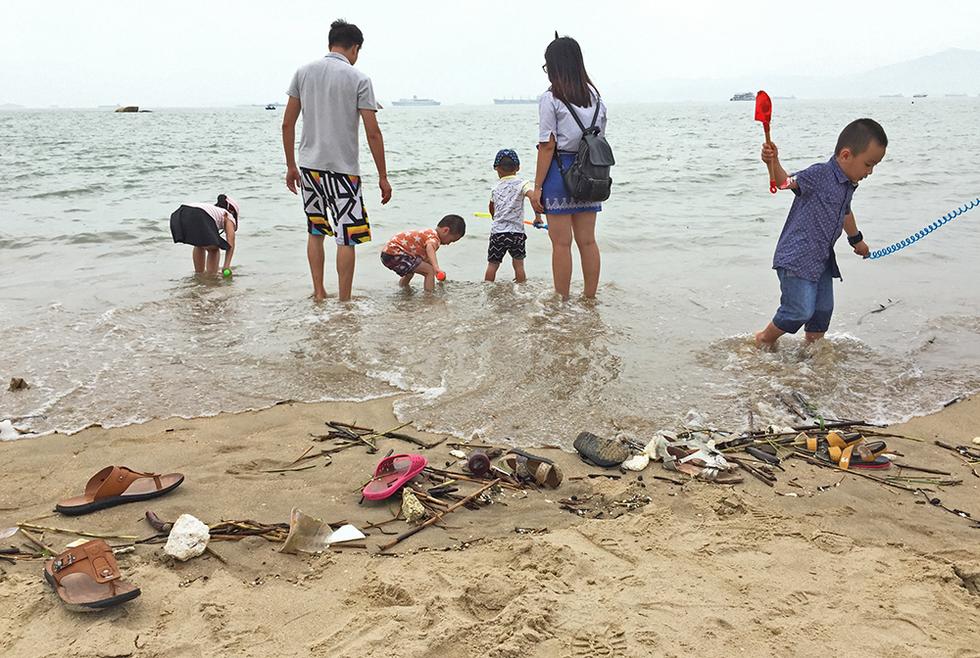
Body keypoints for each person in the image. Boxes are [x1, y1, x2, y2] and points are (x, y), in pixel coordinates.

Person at [282, 19, 391, 302]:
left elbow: (287, 124)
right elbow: (373, 133)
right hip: (344, 171)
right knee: (347, 237)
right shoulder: (359, 79)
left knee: (316, 230)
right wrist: (383, 176)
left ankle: (318, 292)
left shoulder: (303, 72)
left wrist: (291, 165)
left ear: (331, 43)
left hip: (309, 167)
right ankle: (344, 300)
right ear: (354, 48)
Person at [754, 118, 887, 348]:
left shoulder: (848, 184)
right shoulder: (819, 174)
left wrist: (857, 240)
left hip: (822, 259)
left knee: (823, 310)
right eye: (868, 164)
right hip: (797, 257)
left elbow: (845, 213)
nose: (871, 171)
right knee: (799, 310)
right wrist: (773, 161)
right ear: (846, 155)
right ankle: (764, 339)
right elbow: (784, 182)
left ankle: (813, 355)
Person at [529, 35, 608, 300]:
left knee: (561, 244)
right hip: (590, 173)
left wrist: (537, 187)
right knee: (588, 241)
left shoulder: (550, 98)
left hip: (559, 172)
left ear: (554, 66)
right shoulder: (595, 97)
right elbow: (598, 137)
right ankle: (589, 299)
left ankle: (561, 302)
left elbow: (547, 146)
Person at [485, 149, 544, 283]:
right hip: (516, 233)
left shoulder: (495, 188)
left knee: (493, 265)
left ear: (496, 168)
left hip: (497, 233)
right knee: (518, 265)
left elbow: (491, 208)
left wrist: (495, 218)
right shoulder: (522, 184)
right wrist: (538, 217)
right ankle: (521, 290)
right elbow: (534, 198)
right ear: (518, 167)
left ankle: (487, 289)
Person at [380, 215, 466, 292]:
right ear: (445, 230)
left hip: (388, 254)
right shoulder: (434, 238)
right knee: (429, 271)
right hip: (396, 253)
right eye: (451, 240)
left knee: (410, 273)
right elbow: (430, 248)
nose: (448, 244)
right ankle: (429, 297)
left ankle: (402, 289)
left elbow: (426, 257)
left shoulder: (428, 234)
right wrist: (436, 268)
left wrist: (436, 271)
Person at [169, 195, 240, 275]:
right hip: (198, 214)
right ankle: (211, 278)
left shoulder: (212, 211)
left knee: (199, 244)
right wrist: (226, 266)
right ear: (232, 212)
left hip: (180, 214)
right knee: (213, 248)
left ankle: (199, 275)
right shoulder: (228, 215)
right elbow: (231, 242)